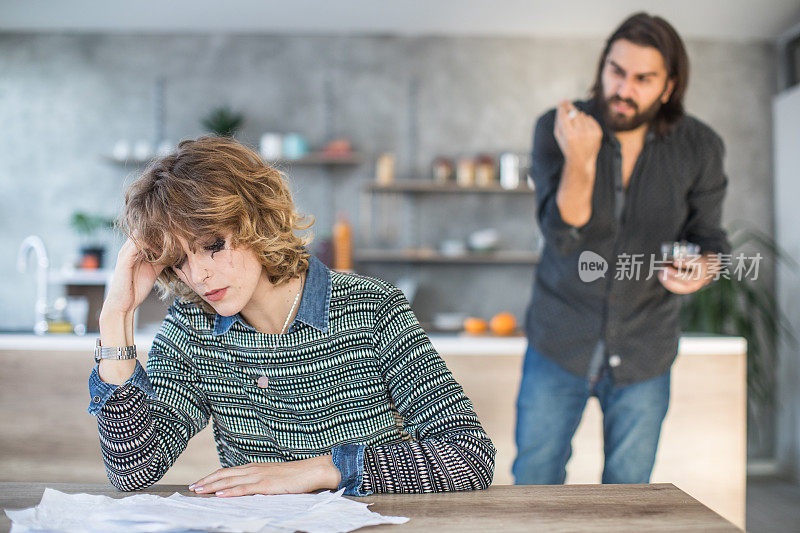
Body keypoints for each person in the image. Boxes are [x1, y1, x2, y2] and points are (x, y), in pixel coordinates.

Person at [88, 136, 495, 497]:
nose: (198, 275)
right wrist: (116, 314)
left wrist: (324, 470)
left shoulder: (371, 308)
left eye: (213, 245)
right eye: (179, 260)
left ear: (257, 221)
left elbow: (469, 456)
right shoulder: (191, 329)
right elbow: (132, 470)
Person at [514, 12, 730, 485]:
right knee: (533, 482)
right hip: (559, 341)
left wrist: (701, 268)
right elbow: (562, 235)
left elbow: (711, 242)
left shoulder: (700, 147)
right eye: (616, 71)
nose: (623, 89)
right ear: (602, 66)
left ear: (668, 87)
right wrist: (581, 160)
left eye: (642, 79)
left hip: (644, 349)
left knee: (629, 493)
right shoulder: (559, 127)